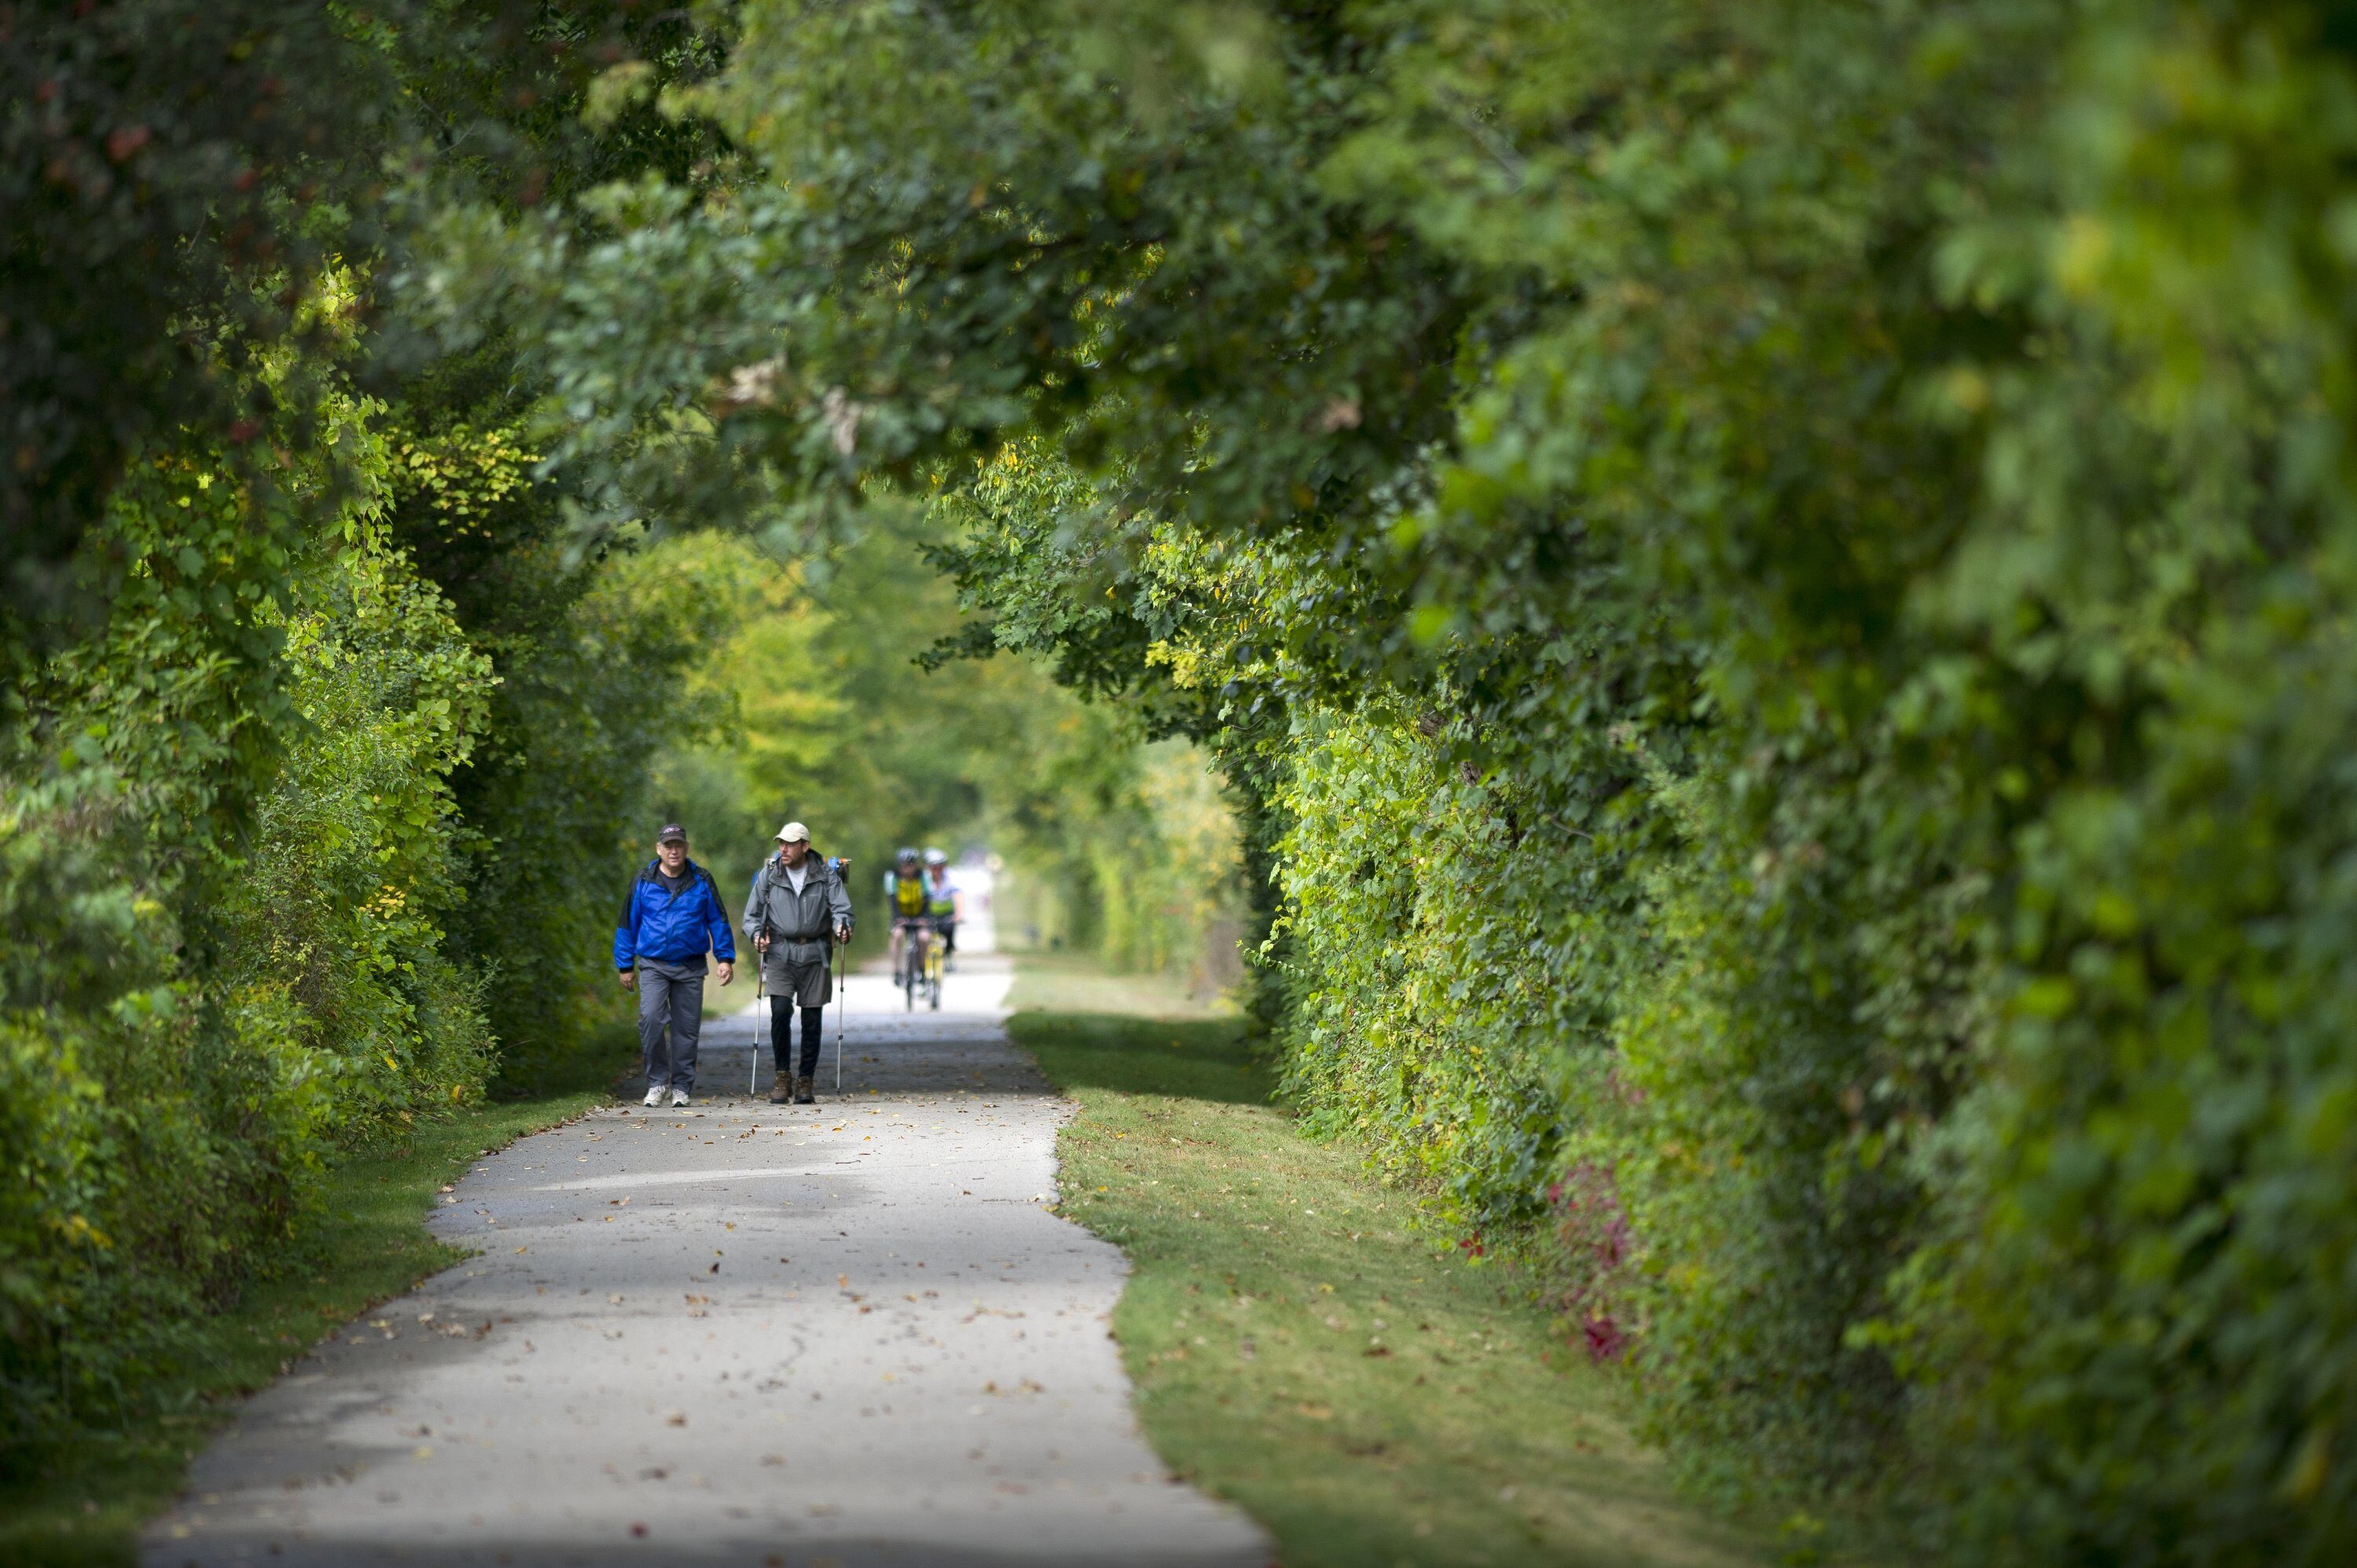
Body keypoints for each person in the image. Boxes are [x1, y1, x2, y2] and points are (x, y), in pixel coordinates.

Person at [614, 824, 735, 1108]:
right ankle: (657, 1083)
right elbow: (627, 924)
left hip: (691, 966)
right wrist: (625, 965)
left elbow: (718, 920)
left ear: (686, 848)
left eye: (678, 845)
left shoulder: (702, 879)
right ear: (659, 850)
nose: (673, 850)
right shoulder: (643, 880)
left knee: (686, 1029)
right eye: (668, 845)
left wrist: (725, 958)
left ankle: (681, 1087)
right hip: (653, 965)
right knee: (652, 1020)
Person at [742, 821, 853, 1105]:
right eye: (781, 843)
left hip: (815, 952)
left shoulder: (826, 875)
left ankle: (806, 1081)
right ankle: (782, 1077)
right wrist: (756, 935)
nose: (783, 848)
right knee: (779, 1011)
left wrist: (842, 926)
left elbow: (842, 909)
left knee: (812, 1019)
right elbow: (751, 916)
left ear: (805, 846)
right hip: (779, 951)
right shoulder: (769, 875)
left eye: (790, 844)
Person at [883, 846, 927, 975]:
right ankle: (896, 970)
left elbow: (927, 898)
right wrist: (898, 917)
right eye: (903, 866)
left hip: (919, 915)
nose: (906, 869)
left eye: (909, 865)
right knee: (897, 935)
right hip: (900, 915)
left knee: (924, 938)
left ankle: (922, 968)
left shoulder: (923, 876)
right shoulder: (892, 877)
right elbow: (892, 900)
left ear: (915, 865)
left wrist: (924, 917)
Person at [922, 847, 962, 970]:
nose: (937, 870)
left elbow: (957, 895)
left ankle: (949, 954)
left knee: (949, 929)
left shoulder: (950, 877)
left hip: (946, 912)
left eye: (940, 866)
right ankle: (921, 964)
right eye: (934, 867)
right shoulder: (923, 878)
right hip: (928, 912)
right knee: (924, 936)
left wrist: (959, 914)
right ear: (928, 866)